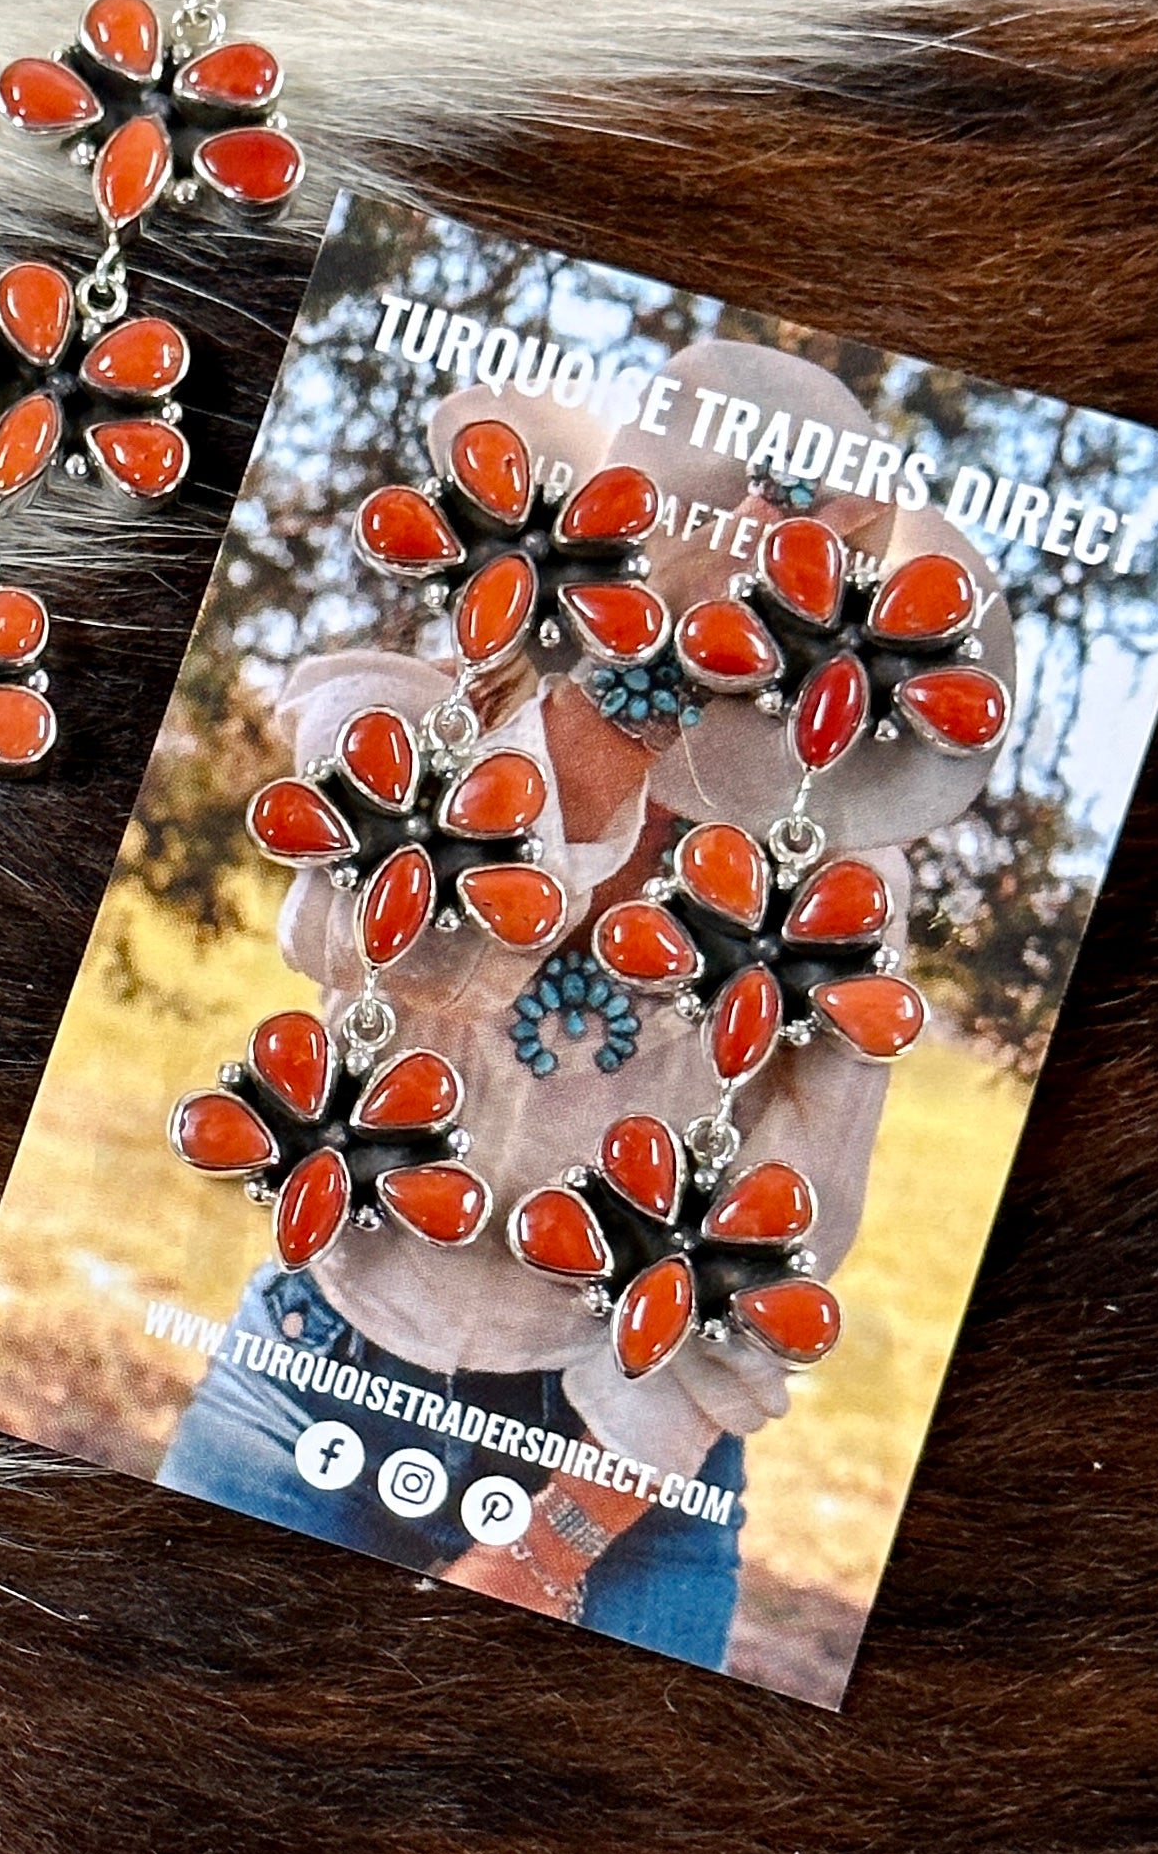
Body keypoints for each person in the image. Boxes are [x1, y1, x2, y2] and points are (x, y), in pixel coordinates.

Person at [158, 338, 1012, 1665]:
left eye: (794, 563)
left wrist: (546, 1543)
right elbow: (387, 944)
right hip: (309, 1373)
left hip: (617, 1483)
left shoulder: (839, 896)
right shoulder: (395, 726)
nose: (755, 572)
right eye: (728, 524)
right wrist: (645, 683)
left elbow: (785, 1241)